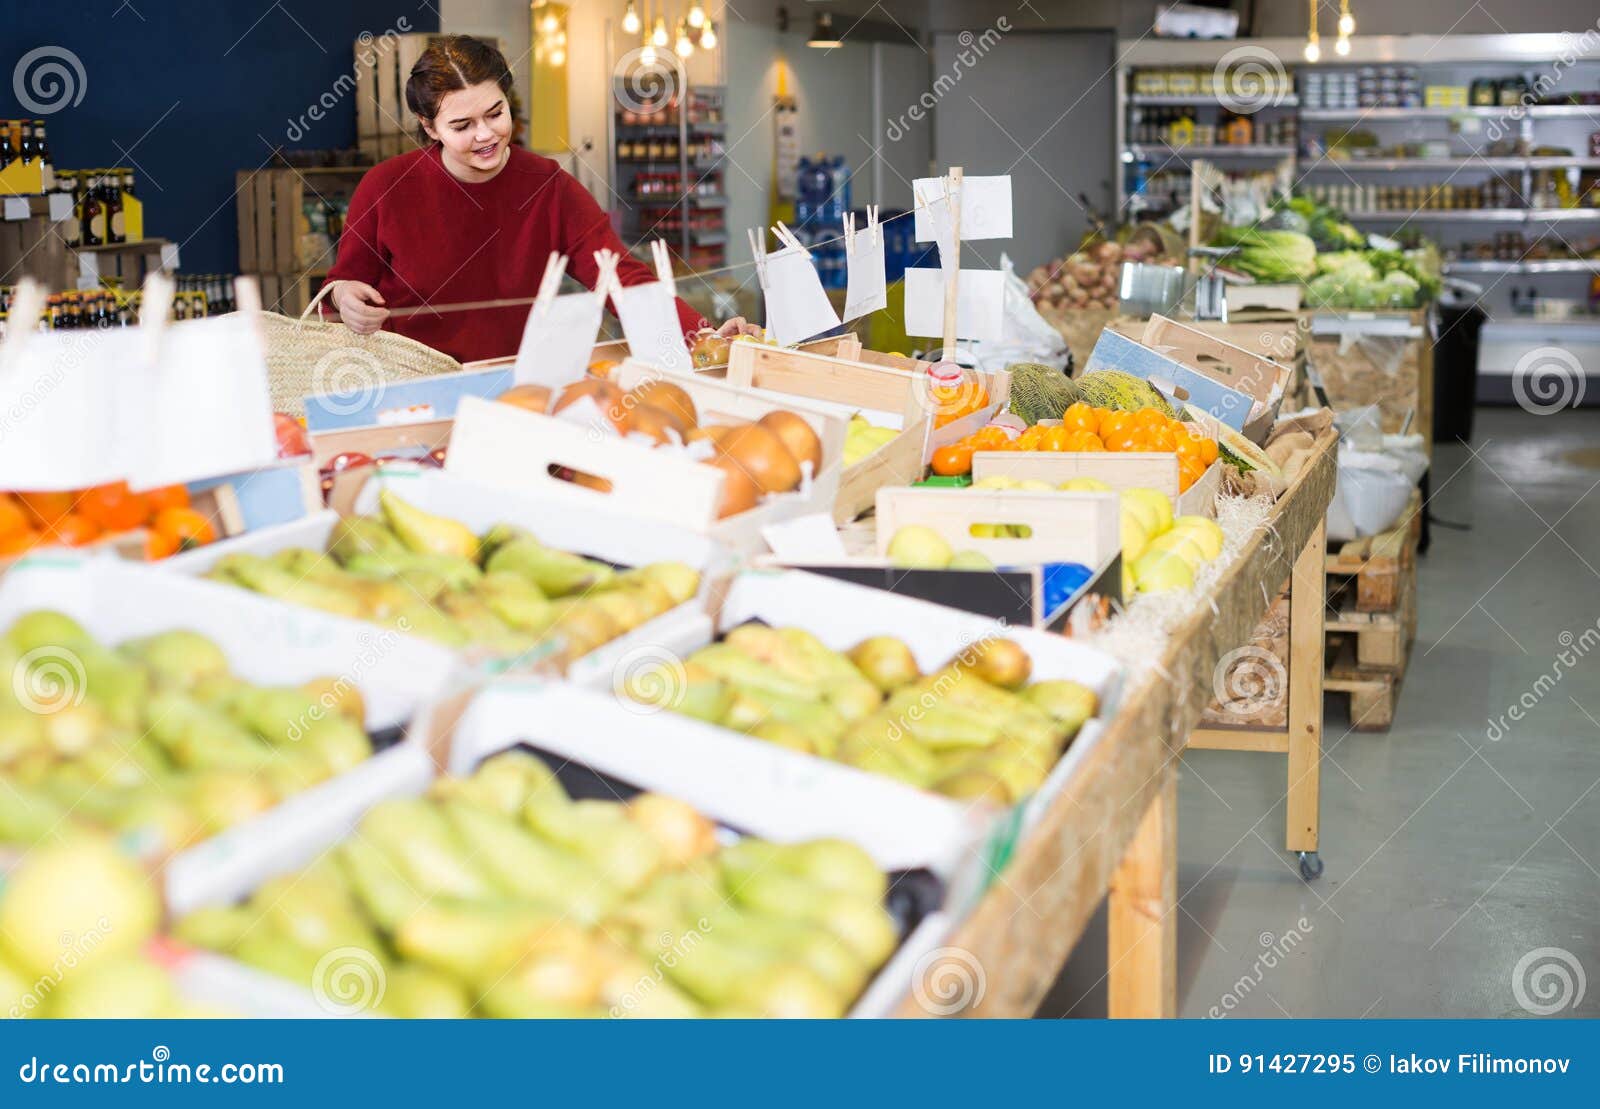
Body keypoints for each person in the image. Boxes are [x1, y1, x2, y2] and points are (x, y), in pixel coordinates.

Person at [324, 35, 754, 362]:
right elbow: (338, 287)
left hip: (513, 379)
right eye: (462, 125)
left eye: (496, 113)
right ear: (429, 126)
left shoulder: (548, 185)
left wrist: (703, 336)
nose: (486, 135)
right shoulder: (385, 186)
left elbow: (621, 278)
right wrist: (345, 297)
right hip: (409, 383)